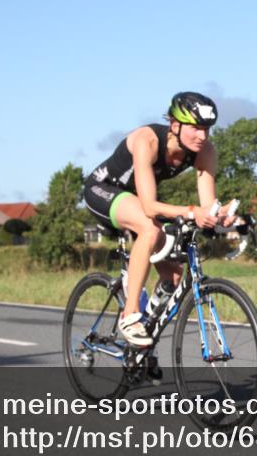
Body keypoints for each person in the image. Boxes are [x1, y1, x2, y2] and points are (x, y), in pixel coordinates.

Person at [83, 92, 236, 346]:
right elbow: (150, 207)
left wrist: (220, 216)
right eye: (196, 128)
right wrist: (191, 212)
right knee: (149, 229)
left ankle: (145, 334)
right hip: (103, 189)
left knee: (174, 277)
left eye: (207, 129)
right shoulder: (148, 140)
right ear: (175, 125)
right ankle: (130, 315)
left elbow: (207, 205)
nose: (202, 136)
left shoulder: (205, 151)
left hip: (137, 199)